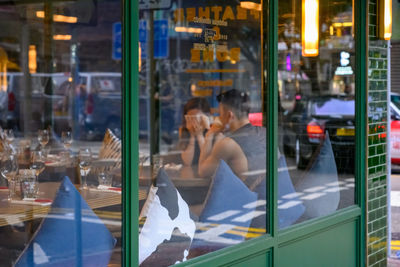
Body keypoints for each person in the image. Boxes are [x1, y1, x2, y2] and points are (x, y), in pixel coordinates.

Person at [198, 89, 266, 189]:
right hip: (273, 199)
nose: (219, 118)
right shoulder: (264, 132)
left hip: (249, 202)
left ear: (230, 115)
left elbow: (203, 172)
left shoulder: (228, 144)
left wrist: (209, 135)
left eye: (220, 115)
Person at [178, 97, 212, 166]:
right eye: (190, 118)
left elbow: (208, 159)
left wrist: (199, 135)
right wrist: (192, 136)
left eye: (197, 118)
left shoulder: (211, 130)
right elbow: (187, 162)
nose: (194, 122)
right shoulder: (184, 130)